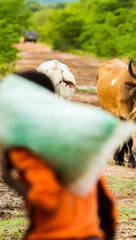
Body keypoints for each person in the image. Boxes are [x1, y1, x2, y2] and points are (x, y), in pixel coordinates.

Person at [0, 70, 117, 240]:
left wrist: (9, 178)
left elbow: (46, 200)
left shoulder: (27, 148)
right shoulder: (76, 139)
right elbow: (105, 201)